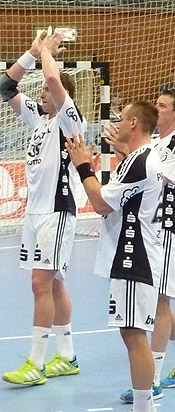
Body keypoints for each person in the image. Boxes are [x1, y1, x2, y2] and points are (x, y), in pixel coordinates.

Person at [66, 101, 163, 412]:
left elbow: (101, 203)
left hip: (135, 256)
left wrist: (83, 166)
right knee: (131, 332)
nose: (117, 124)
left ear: (133, 123)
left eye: (121, 119)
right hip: (135, 254)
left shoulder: (141, 161)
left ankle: (144, 406)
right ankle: (144, 404)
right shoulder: (140, 158)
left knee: (134, 334)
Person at [0, 30, 84, 386]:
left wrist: (49, 52)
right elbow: (5, 87)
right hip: (34, 214)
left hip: (57, 211)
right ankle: (67, 355)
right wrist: (33, 52)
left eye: (48, 92)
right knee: (55, 284)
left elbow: (52, 78)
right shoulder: (39, 118)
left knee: (40, 284)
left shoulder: (69, 119)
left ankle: (35, 363)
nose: (42, 92)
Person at [118, 90, 175, 403]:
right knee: (159, 300)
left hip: (168, 228)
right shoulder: (155, 143)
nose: (157, 108)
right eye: (156, 104)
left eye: (163, 105)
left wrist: (128, 151)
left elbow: (159, 179)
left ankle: (152, 379)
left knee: (160, 302)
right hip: (153, 229)